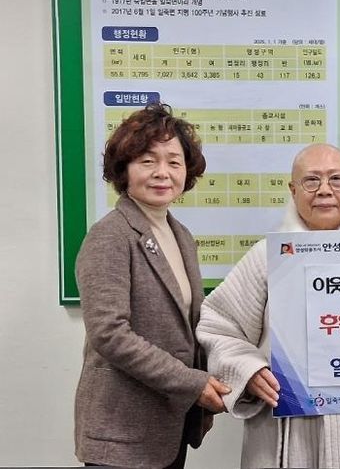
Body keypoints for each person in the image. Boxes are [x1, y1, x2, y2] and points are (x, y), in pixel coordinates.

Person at [197, 143, 340, 468]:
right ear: (293, 190)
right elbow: (218, 327)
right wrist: (249, 370)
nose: (324, 190)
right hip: (281, 434)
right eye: (311, 180)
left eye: (336, 179)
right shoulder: (267, 257)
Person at [74, 103, 230, 468]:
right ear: (124, 169)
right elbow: (110, 333)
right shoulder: (110, 235)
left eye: (174, 162)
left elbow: (188, 327)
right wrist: (192, 383)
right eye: (147, 161)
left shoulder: (180, 235)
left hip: (168, 425)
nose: (163, 172)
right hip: (121, 432)